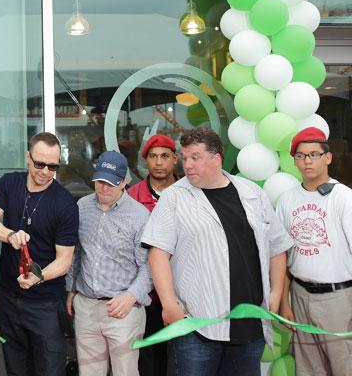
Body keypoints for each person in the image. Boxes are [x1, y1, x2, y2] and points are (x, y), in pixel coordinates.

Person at [142, 127, 291, 376]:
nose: (187, 164)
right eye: (185, 157)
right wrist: (169, 304)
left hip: (249, 325)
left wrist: (276, 293)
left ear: (217, 158)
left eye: (195, 157)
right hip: (196, 327)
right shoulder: (174, 198)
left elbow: (277, 246)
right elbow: (157, 253)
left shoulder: (252, 193)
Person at [0, 132, 79, 376]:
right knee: (16, 369)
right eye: (39, 164)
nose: (45, 171)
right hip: (8, 298)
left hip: (45, 303)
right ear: (28, 157)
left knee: (49, 369)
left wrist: (39, 276)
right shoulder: (9, 183)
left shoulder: (65, 203)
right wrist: (10, 235)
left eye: (53, 166)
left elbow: (64, 260)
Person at [66, 151, 150, 376]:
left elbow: (149, 266)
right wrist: (71, 289)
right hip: (86, 306)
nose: (104, 188)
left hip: (123, 308)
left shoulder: (140, 216)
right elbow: (77, 253)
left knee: (126, 372)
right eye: (100, 181)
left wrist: (131, 296)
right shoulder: (82, 207)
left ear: (124, 182)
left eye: (111, 184)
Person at [276, 127, 352, 376]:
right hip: (299, 295)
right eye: (300, 156)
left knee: (344, 365)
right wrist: (284, 302)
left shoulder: (344, 197)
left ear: (327, 157)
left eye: (313, 154)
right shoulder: (287, 199)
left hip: (338, 297)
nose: (307, 161)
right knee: (308, 367)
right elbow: (283, 255)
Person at [128, 133, 178, 376]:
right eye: (154, 157)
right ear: (145, 161)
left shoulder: (189, 192)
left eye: (165, 156)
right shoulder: (132, 196)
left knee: (183, 357)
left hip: (183, 292)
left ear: (175, 160)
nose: (159, 162)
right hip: (146, 296)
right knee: (149, 359)